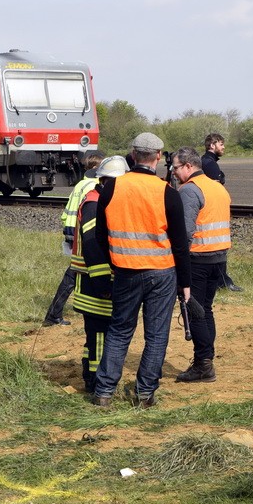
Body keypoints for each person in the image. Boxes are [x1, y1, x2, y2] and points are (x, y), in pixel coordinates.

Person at [92, 132, 191, 409]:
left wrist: (116, 262)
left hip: (126, 271)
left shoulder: (112, 188)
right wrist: (185, 282)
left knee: (120, 330)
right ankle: (145, 394)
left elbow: (101, 235)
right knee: (157, 334)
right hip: (162, 273)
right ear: (158, 157)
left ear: (133, 155)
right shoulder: (168, 193)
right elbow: (180, 245)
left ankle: (104, 393)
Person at [172, 147, 231, 383]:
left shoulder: (189, 191)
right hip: (219, 258)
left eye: (176, 168)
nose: (174, 173)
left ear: (188, 166)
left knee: (194, 311)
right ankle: (206, 359)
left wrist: (177, 264)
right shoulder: (217, 186)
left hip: (197, 259)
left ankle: (203, 364)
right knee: (206, 310)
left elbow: (185, 232)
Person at [70, 155, 128, 392]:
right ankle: (96, 383)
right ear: (108, 181)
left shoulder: (99, 200)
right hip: (94, 284)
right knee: (100, 336)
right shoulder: (95, 203)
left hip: (93, 281)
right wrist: (104, 282)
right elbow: (93, 245)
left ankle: (90, 376)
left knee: (94, 337)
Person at [43, 151, 105, 326]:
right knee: (73, 274)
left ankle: (55, 313)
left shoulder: (81, 184)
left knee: (75, 272)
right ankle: (54, 314)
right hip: (81, 234)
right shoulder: (92, 185)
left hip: (72, 230)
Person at [201, 133, 243, 292]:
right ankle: (223, 281)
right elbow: (215, 189)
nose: (223, 147)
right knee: (218, 247)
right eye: (221, 144)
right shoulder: (210, 164)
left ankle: (221, 280)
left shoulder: (206, 161)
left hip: (209, 210)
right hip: (212, 211)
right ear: (212, 146)